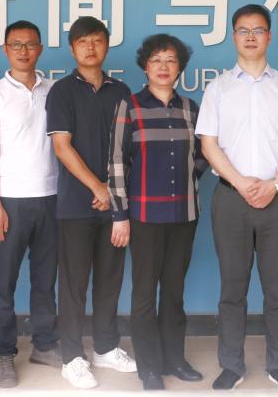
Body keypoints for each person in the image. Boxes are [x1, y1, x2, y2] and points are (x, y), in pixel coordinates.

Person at [196, 4, 278, 391]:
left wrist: (275, 184)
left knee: (276, 288)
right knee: (232, 288)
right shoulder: (218, 88)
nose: (250, 36)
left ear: (269, 36)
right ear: (234, 37)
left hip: (277, 199)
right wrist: (242, 182)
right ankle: (231, 364)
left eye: (258, 30)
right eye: (243, 30)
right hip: (231, 199)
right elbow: (209, 145)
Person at [109, 34, 208, 390]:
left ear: (180, 67)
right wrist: (120, 214)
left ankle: (174, 359)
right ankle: (149, 367)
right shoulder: (130, 106)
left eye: (170, 60)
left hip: (184, 214)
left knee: (174, 291)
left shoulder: (190, 108)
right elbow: (117, 162)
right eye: (156, 60)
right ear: (145, 66)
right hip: (144, 216)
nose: (163, 67)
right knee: (144, 294)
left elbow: (204, 154)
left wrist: (187, 178)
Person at [45, 16, 136, 389]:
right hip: (75, 205)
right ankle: (72, 357)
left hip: (114, 204)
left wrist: (111, 192)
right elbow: (61, 146)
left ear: (107, 45)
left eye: (97, 40)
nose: (90, 47)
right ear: (72, 48)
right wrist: (97, 187)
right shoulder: (62, 91)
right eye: (83, 41)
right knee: (73, 285)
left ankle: (105, 347)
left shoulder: (122, 92)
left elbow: (129, 151)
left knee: (110, 280)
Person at [0, 20, 61, 387]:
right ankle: (2, 353)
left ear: (40, 49)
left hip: (51, 198)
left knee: (45, 280)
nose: (23, 51)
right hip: (9, 200)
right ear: (5, 49)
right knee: (5, 281)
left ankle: (45, 344)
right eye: (16, 44)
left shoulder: (54, 91)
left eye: (30, 44)